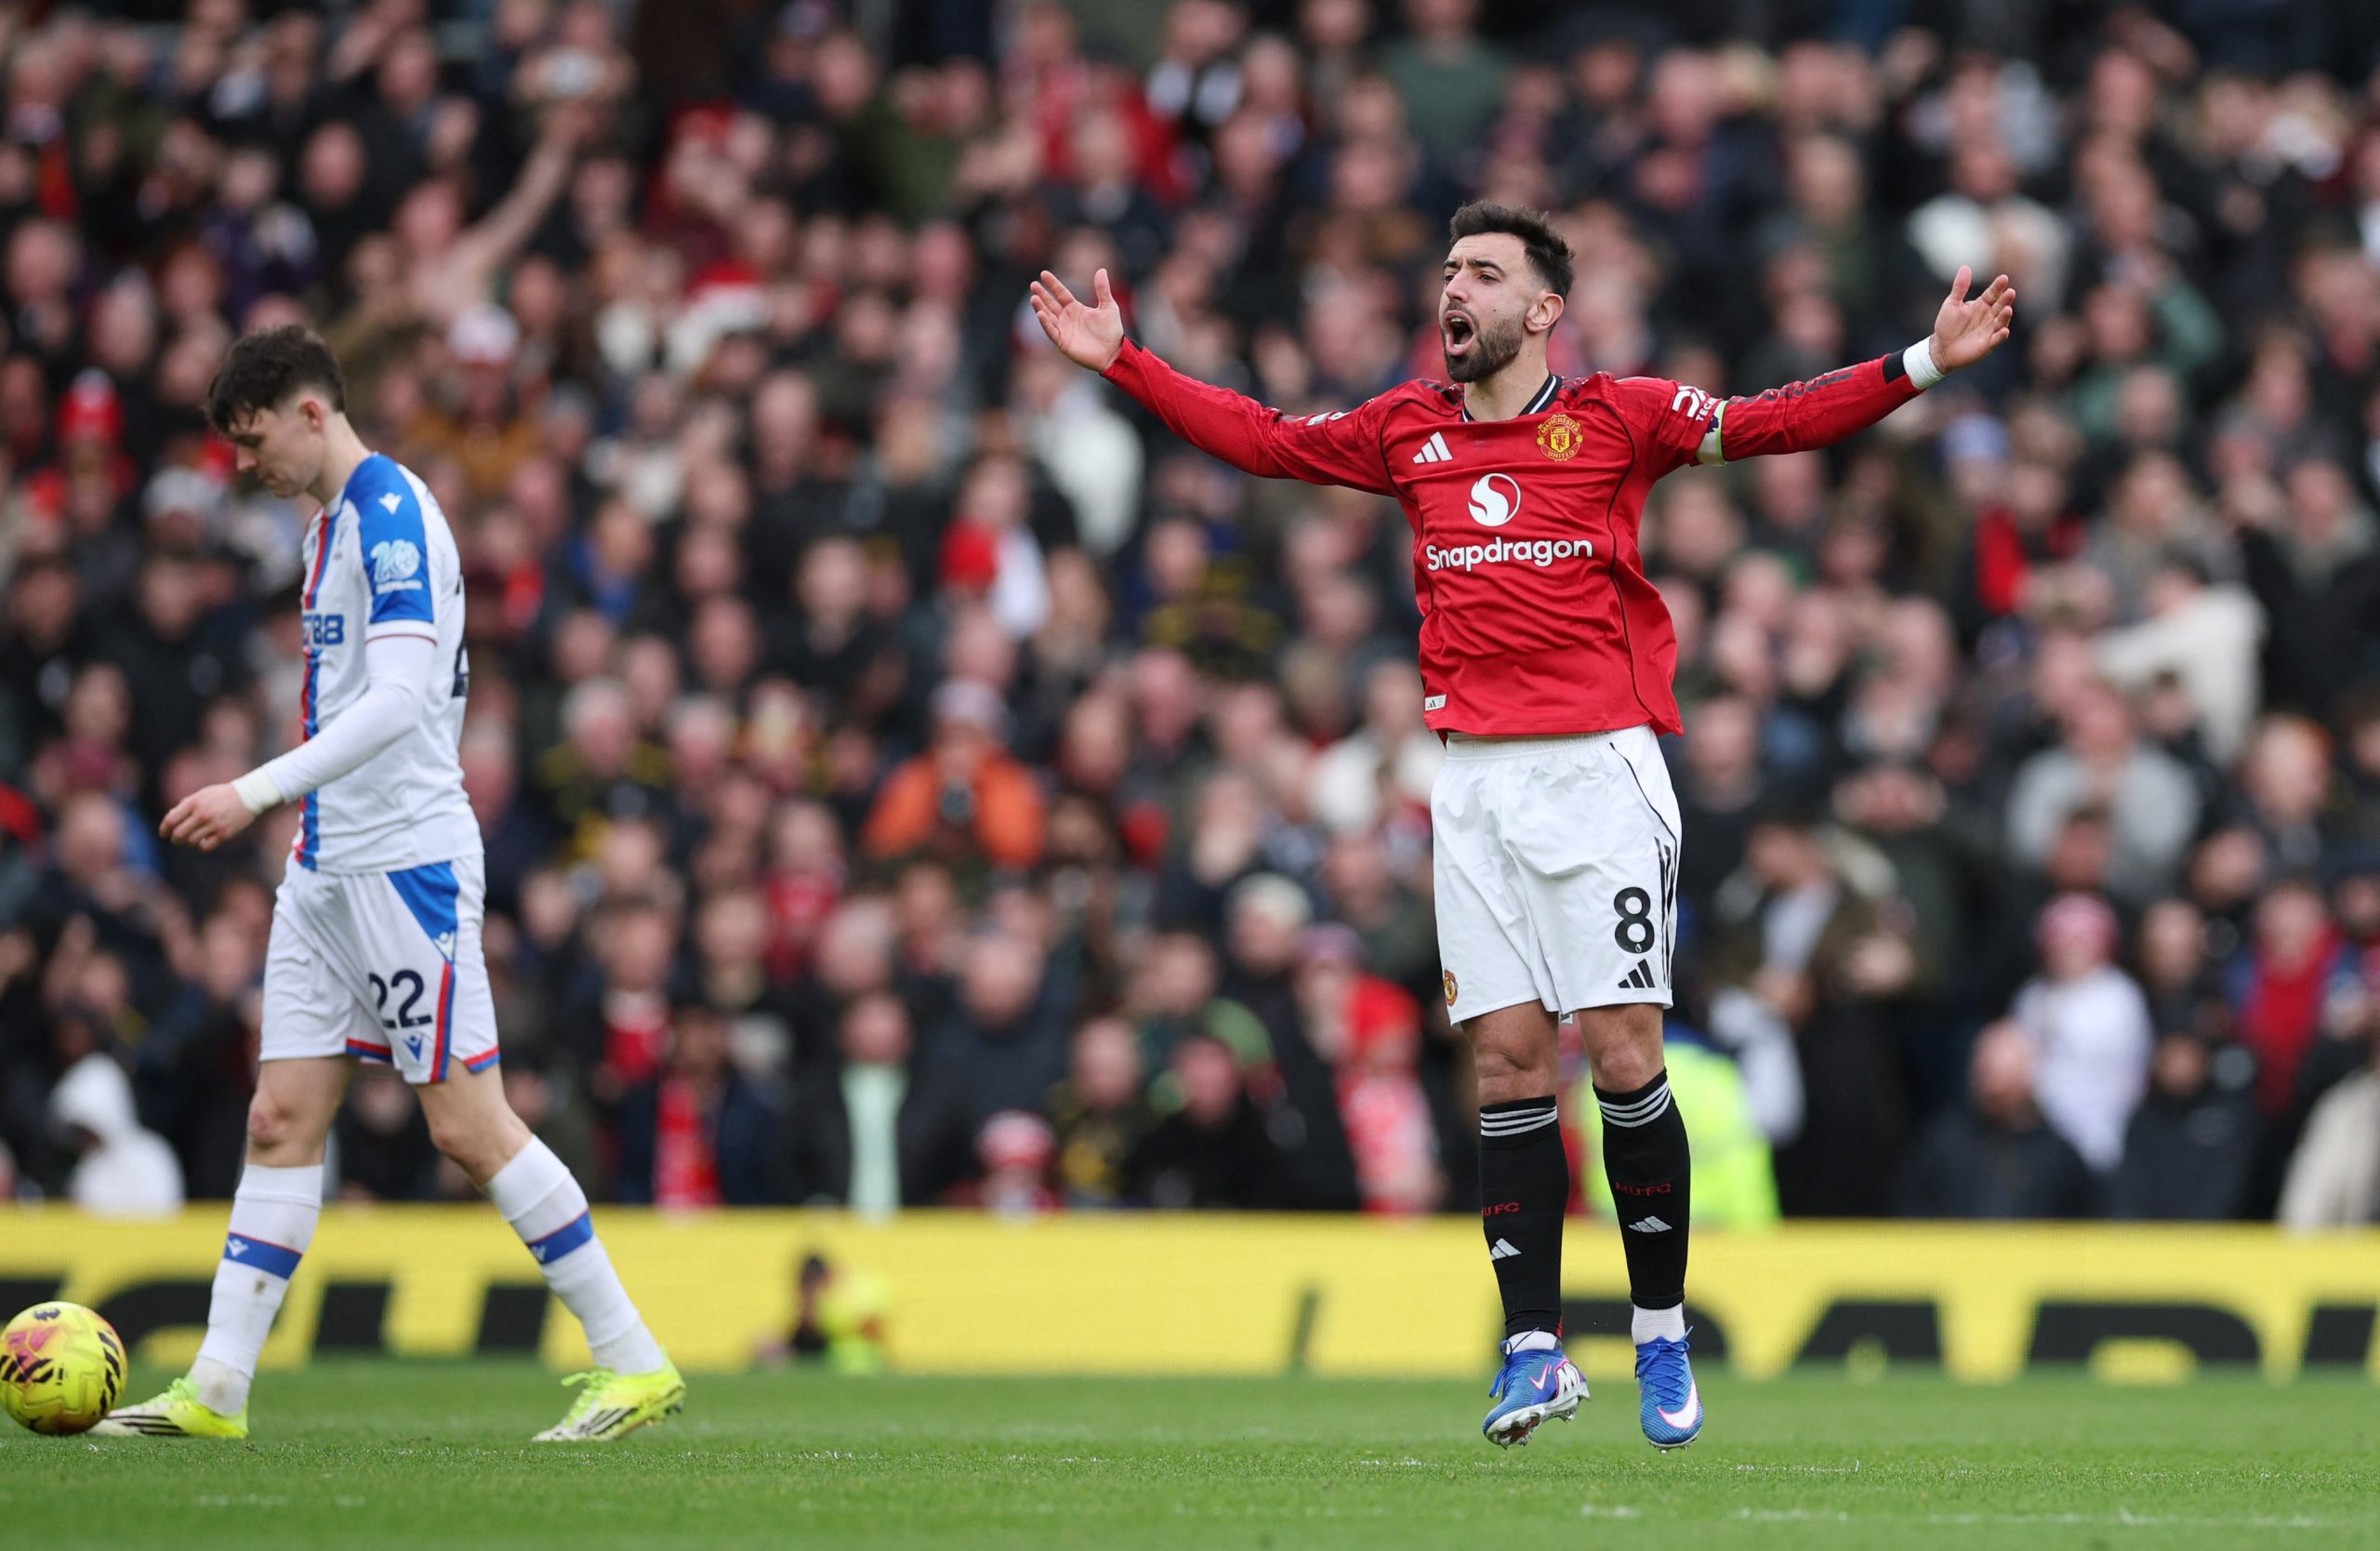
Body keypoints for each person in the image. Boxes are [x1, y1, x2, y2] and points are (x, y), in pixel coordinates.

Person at [1032, 200, 2016, 1449]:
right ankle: (1536, 1348)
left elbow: (1775, 421)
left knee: (1619, 1049)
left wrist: (1924, 361)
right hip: (1475, 784)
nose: (1455, 290)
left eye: (1483, 273)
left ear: (1543, 310)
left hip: (1600, 774)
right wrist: (1127, 360)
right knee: (1504, 1061)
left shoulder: (1623, 418)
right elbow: (1266, 441)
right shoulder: (1406, 429)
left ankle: (1660, 1333)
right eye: (1448, 270)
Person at [96, 327, 682, 1443]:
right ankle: (215, 1391)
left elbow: (404, 697)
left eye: (255, 438)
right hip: (324, 868)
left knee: (467, 1126)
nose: (245, 464)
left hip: (404, 864)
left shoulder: (390, 513)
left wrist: (254, 789)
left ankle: (633, 1360)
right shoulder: (325, 529)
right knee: (279, 1118)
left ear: (312, 413)